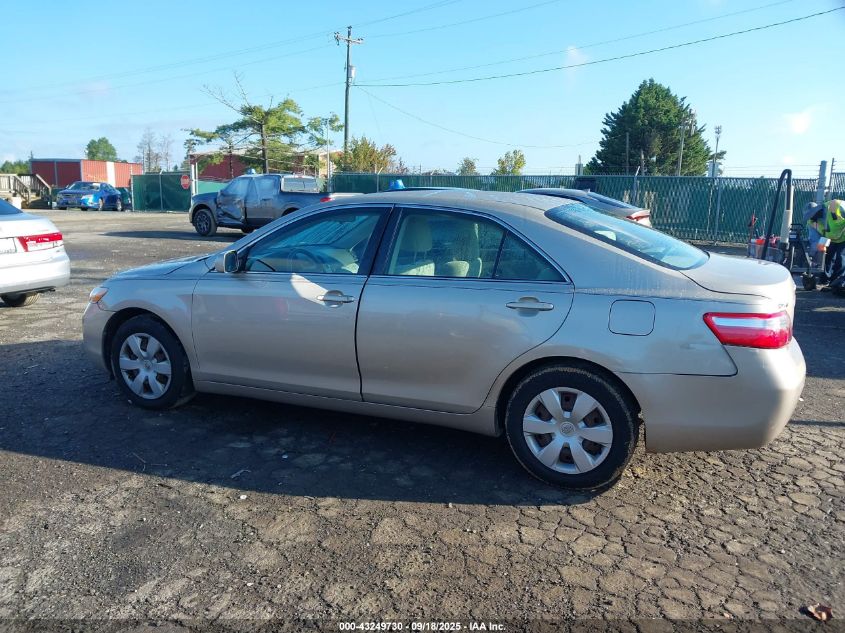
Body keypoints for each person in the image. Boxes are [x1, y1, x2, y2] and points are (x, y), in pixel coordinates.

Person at [812, 199, 845, 286]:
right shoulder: (812, 220)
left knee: (840, 259)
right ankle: (825, 280)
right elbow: (822, 230)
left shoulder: (836, 207)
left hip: (843, 238)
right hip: (831, 238)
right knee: (826, 257)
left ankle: (836, 282)